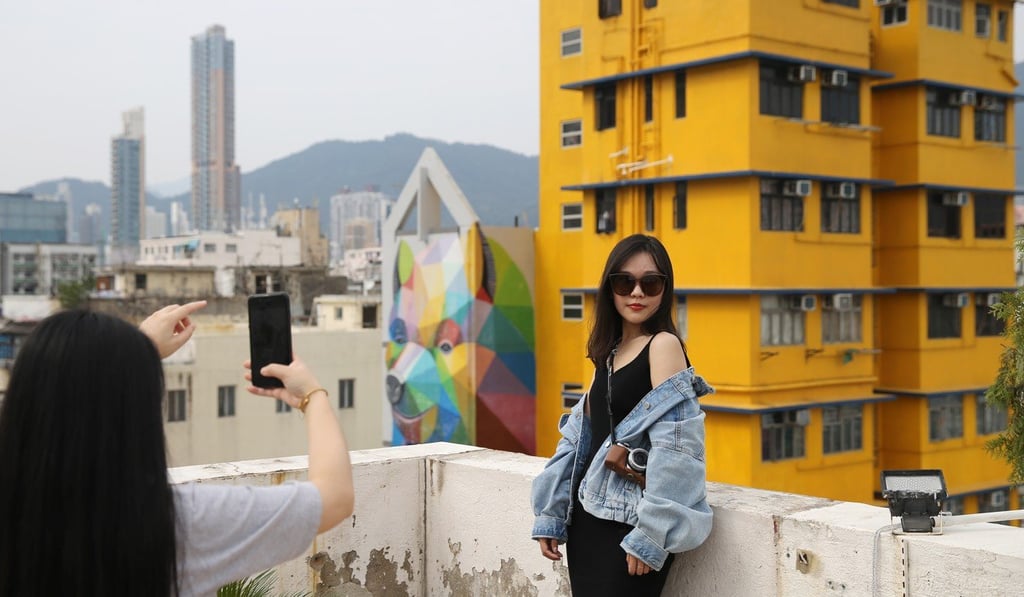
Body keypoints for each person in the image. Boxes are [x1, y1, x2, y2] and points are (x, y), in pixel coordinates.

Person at [0, 301, 354, 596]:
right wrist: (312, 397)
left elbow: (73, 398)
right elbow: (334, 497)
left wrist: (129, 355)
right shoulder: (181, 523)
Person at [531, 234, 714, 595]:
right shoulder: (610, 353)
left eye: (650, 282)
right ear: (609, 288)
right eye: (624, 282)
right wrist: (551, 514)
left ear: (665, 289)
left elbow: (678, 448)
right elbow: (579, 438)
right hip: (586, 521)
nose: (637, 293)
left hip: (629, 529)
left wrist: (651, 534)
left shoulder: (663, 345)